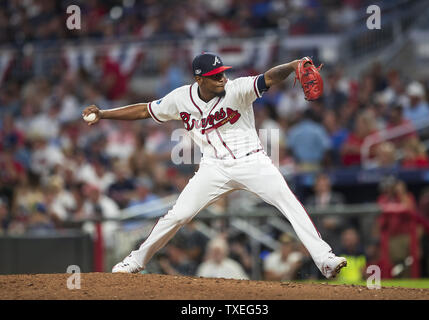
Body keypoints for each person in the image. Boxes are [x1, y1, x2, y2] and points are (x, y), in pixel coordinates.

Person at [83, 52, 347, 279]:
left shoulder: (237, 88)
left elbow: (267, 78)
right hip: (213, 168)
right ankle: (135, 261)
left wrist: (291, 66)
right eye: (215, 75)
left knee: (288, 202)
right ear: (199, 79)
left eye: (223, 73)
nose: (222, 78)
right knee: (179, 214)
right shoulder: (180, 98)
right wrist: (104, 113)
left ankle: (325, 259)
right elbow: (145, 110)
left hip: (252, 161)